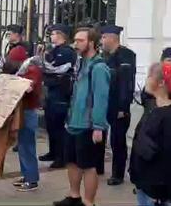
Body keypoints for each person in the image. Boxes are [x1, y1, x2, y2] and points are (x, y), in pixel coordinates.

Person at [54, 27, 110, 206]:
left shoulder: (99, 67)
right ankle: (74, 196)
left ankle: (88, 202)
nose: (75, 44)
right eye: (75, 40)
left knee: (88, 166)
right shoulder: (81, 63)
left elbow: (101, 99)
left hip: (88, 125)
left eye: (80, 41)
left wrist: (98, 126)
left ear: (91, 43)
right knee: (71, 161)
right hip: (73, 123)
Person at [130, 63, 171, 206]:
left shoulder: (167, 116)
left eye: (149, 76)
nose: (146, 79)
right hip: (144, 185)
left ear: (161, 83)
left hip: (158, 193)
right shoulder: (152, 106)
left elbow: (168, 157)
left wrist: (161, 194)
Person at [100, 25, 136, 186]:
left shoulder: (126, 56)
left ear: (112, 38)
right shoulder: (107, 56)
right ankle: (98, 166)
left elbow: (126, 83)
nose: (101, 41)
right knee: (100, 135)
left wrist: (123, 107)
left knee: (117, 141)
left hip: (118, 105)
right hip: (106, 102)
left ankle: (117, 174)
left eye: (103, 37)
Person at [38, 24, 77, 169]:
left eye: (53, 33)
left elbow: (55, 71)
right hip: (52, 92)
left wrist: (47, 75)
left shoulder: (66, 52)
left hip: (61, 93)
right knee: (51, 125)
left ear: (61, 35)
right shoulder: (54, 50)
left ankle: (62, 157)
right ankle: (53, 152)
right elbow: (45, 68)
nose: (51, 36)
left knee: (59, 127)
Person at [6, 45, 42, 192]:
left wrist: (16, 81)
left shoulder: (32, 70)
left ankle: (32, 180)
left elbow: (29, 87)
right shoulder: (24, 70)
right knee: (23, 146)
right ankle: (26, 175)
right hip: (23, 110)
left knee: (27, 146)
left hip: (28, 111)